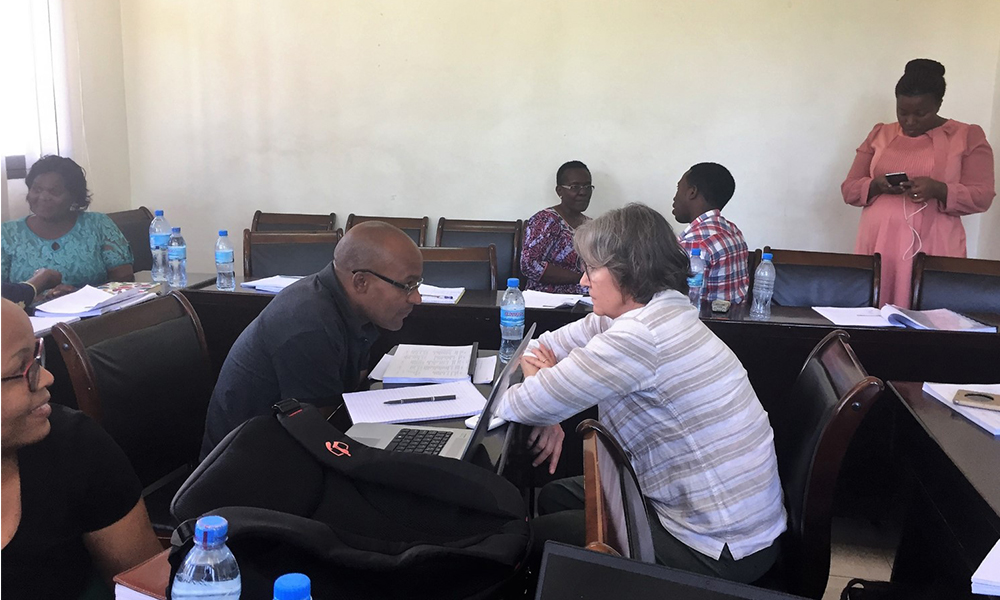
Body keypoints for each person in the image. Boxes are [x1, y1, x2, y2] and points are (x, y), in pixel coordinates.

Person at [496, 204, 786, 584]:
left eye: (590, 270)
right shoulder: (654, 310)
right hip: (714, 513)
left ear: (627, 271)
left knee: (526, 541)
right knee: (555, 497)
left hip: (719, 545)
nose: (583, 282)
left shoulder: (639, 337)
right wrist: (549, 400)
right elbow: (541, 348)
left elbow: (518, 401)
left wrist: (546, 394)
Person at [201, 221, 424, 457]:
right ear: (361, 282)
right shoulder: (308, 326)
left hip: (283, 452)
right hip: (242, 472)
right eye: (408, 285)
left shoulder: (352, 308)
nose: (417, 298)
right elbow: (322, 443)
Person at [1, 298, 162, 599]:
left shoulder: (75, 448)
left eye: (36, 358)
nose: (47, 377)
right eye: (22, 370)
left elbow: (146, 587)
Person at [841, 59, 995, 308]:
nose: (909, 121)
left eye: (920, 113)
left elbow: (983, 195)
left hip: (934, 243)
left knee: (931, 315)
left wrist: (939, 189)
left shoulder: (967, 136)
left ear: (938, 104)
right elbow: (849, 189)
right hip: (879, 242)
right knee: (872, 314)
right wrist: (877, 185)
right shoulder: (880, 133)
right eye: (902, 112)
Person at [1, 155, 135, 295]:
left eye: (55, 191)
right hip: (26, 315)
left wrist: (77, 295)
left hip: (94, 312)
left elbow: (124, 279)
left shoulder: (98, 225)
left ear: (74, 196)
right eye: (37, 190)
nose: (44, 197)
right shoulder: (7, 234)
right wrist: (40, 298)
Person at [672, 162, 750, 303]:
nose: (674, 197)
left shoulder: (694, 242)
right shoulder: (733, 231)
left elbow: (678, 303)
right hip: (735, 321)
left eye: (678, 188)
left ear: (692, 192)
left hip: (704, 322)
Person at [521, 160, 593, 294]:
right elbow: (529, 265)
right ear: (559, 191)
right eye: (575, 187)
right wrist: (580, 278)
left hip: (585, 299)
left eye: (587, 186)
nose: (583, 192)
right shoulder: (545, 220)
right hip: (547, 301)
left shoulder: (591, 225)